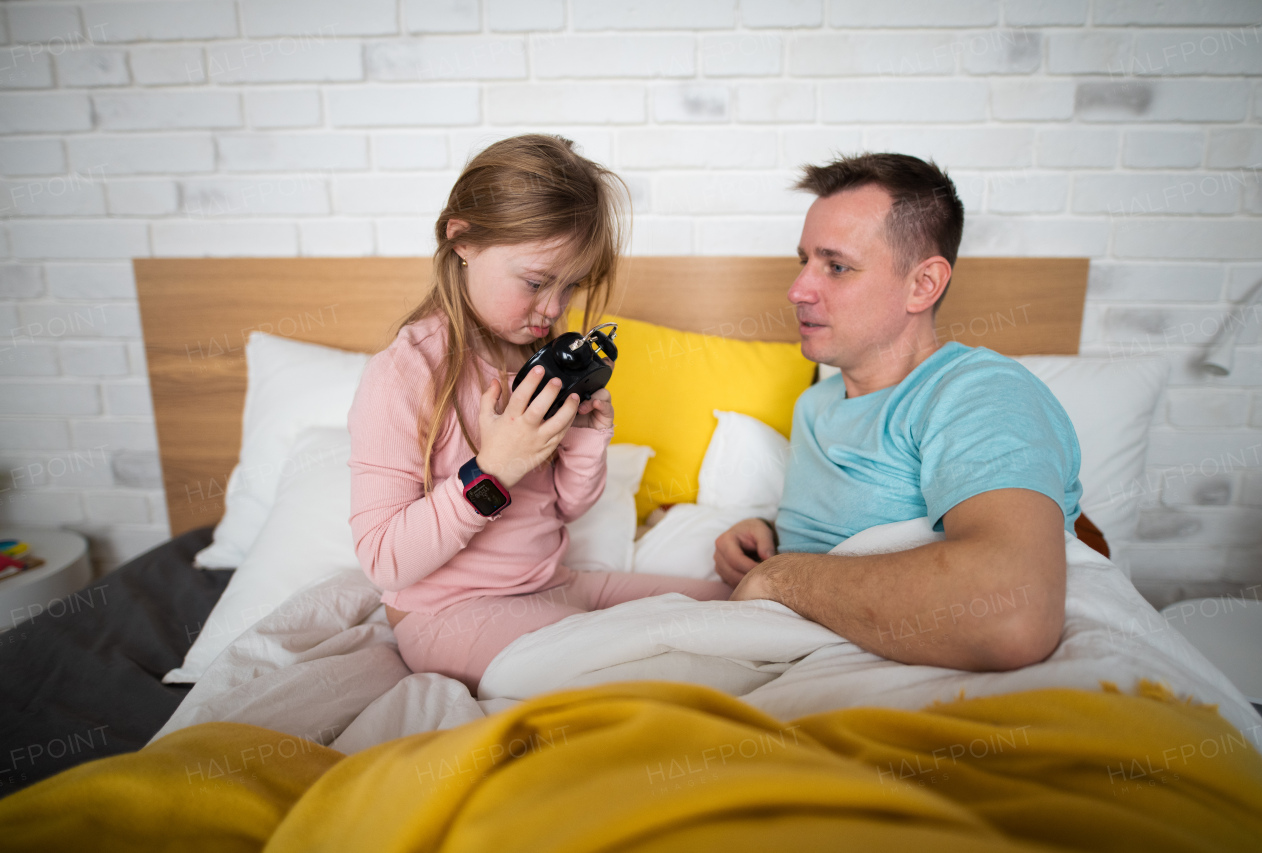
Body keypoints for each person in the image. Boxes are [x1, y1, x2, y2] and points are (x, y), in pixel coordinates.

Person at [347, 134, 731, 695]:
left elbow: (568, 507)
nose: (553, 309)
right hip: (451, 615)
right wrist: (495, 467)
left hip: (556, 584)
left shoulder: (539, 358)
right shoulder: (405, 374)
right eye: (535, 281)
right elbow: (383, 562)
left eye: (571, 285)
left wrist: (585, 440)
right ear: (462, 240)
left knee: (739, 609)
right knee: (647, 667)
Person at [714, 152, 1083, 673]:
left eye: (836, 266)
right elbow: (856, 517)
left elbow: (1011, 613)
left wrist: (779, 578)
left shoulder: (978, 393)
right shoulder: (815, 402)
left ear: (923, 285)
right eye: (804, 261)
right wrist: (769, 532)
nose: (796, 291)